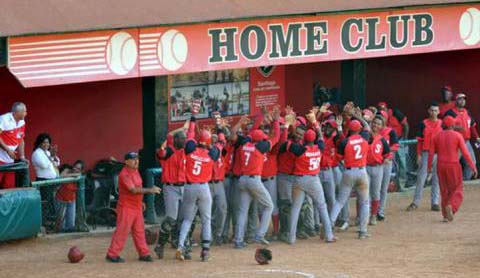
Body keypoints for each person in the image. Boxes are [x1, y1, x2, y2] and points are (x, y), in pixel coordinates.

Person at [176, 106, 220, 262]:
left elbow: (190, 135)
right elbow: (220, 142)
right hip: (203, 187)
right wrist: (218, 124)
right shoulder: (212, 152)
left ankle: (180, 246)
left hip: (189, 187)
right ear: (208, 142)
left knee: (187, 219)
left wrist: (193, 117)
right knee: (206, 219)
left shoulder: (190, 149)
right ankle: (205, 251)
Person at [106, 152, 161, 263]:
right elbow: (133, 190)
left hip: (136, 206)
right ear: (126, 162)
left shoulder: (135, 171)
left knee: (139, 231)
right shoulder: (124, 174)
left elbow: (138, 187)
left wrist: (141, 202)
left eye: (137, 159)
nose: (136, 161)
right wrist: (150, 190)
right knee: (122, 231)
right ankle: (112, 254)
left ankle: (144, 253)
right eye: (133, 159)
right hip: (126, 207)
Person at [288, 120, 336, 244]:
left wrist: (289, 127)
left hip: (299, 180)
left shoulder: (299, 149)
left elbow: (290, 142)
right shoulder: (319, 147)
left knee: (295, 208)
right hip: (314, 180)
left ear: (304, 138)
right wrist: (316, 125)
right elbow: (320, 137)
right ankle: (329, 235)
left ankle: (291, 238)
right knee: (322, 207)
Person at [233, 119, 278, 248]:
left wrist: (259, 119)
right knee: (269, 206)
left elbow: (250, 135)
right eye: (262, 138)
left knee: (242, 211)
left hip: (243, 179)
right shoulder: (260, 147)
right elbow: (276, 138)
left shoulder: (245, 144)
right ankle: (260, 235)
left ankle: (238, 240)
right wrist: (277, 124)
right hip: (254, 180)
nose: (264, 139)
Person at [428, 116, 477, 222]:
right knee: (457, 189)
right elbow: (465, 153)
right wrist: (473, 166)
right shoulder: (458, 135)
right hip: (453, 164)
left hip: (440, 165)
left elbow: (431, 153)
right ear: (452, 125)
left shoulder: (436, 136)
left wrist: (429, 167)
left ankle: (445, 215)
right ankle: (452, 207)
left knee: (444, 190)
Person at [329, 120, 371, 239]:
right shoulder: (364, 137)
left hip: (348, 172)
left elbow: (339, 157)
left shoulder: (345, 142)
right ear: (359, 129)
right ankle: (362, 231)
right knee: (365, 203)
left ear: (350, 130)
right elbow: (367, 126)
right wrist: (358, 115)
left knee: (340, 201)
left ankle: (330, 225)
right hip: (362, 171)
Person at [154, 123, 188, 259]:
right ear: (175, 140)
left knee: (184, 218)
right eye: (181, 138)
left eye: (184, 138)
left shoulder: (185, 151)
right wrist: (181, 128)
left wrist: (188, 126)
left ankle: (178, 243)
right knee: (171, 219)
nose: (184, 141)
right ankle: (160, 245)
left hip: (184, 186)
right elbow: (168, 138)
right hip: (171, 187)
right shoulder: (168, 151)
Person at [407, 103, 442, 212]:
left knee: (437, 178)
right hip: (426, 153)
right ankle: (415, 202)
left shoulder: (442, 123)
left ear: (439, 112)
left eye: (435, 110)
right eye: (432, 110)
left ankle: (435, 202)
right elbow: (419, 141)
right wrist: (418, 155)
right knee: (421, 178)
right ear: (428, 111)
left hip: (438, 153)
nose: (433, 112)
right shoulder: (423, 123)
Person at [444, 93, 480, 180]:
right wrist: (457, 128)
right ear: (456, 101)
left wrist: (477, 137)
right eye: (460, 99)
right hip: (454, 142)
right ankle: (450, 181)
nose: (462, 101)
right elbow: (445, 126)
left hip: (466, 141)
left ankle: (464, 181)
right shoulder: (450, 112)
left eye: (464, 99)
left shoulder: (467, 112)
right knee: (452, 163)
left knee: (472, 163)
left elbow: (472, 126)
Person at [366, 116, 392, 226]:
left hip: (378, 167)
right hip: (366, 167)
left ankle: (373, 215)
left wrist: (386, 159)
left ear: (381, 126)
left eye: (378, 124)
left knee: (376, 193)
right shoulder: (366, 137)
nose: (375, 125)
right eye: (374, 123)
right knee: (364, 193)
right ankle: (363, 216)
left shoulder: (382, 140)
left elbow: (389, 153)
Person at [0, 102, 28, 189]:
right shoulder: (4, 119)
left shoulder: (22, 122)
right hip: (0, 159)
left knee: (9, 187)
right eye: (24, 111)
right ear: (16, 112)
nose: (26, 113)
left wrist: (22, 157)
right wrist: (8, 150)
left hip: (10, 162)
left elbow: (21, 139)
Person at [55, 160, 84, 232]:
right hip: (61, 200)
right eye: (75, 167)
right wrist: (73, 175)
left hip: (71, 201)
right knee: (61, 226)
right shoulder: (67, 170)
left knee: (70, 225)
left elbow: (80, 175)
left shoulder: (79, 176)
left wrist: (77, 175)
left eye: (78, 169)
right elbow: (61, 176)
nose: (76, 169)